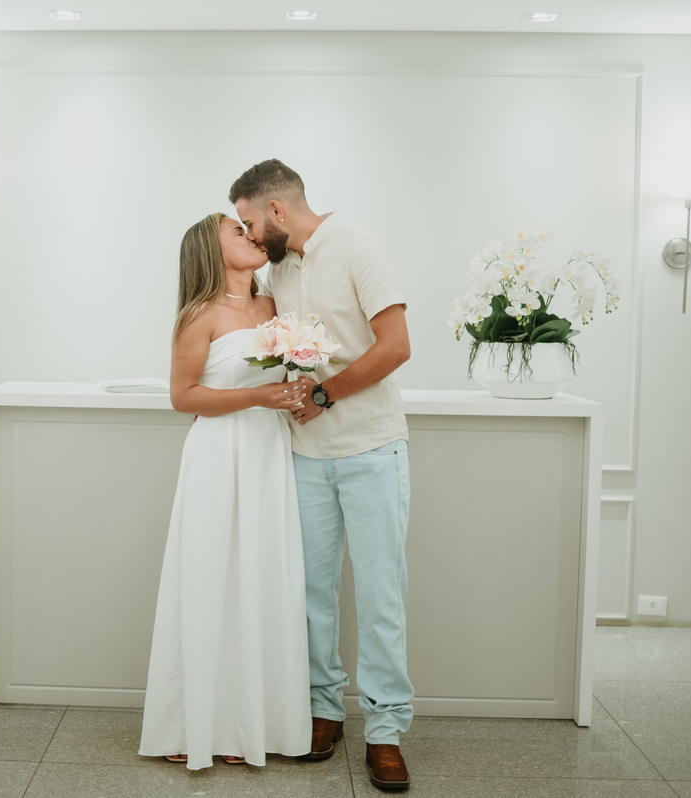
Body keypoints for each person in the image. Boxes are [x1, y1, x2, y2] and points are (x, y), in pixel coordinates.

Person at [230, 159, 414, 793]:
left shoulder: (360, 248)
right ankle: (324, 710)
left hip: (372, 450)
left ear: (277, 210)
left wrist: (326, 394)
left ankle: (385, 731)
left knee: (381, 595)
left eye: (251, 222)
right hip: (305, 456)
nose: (250, 236)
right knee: (311, 594)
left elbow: (396, 346)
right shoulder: (278, 271)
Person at [138, 212, 312, 770]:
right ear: (210, 251)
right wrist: (257, 398)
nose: (251, 235)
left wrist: (297, 389)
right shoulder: (200, 315)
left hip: (268, 454)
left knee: (263, 576)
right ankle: (194, 723)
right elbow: (183, 396)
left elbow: (286, 376)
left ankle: (248, 725)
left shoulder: (273, 305)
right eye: (237, 231)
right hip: (217, 457)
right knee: (210, 577)